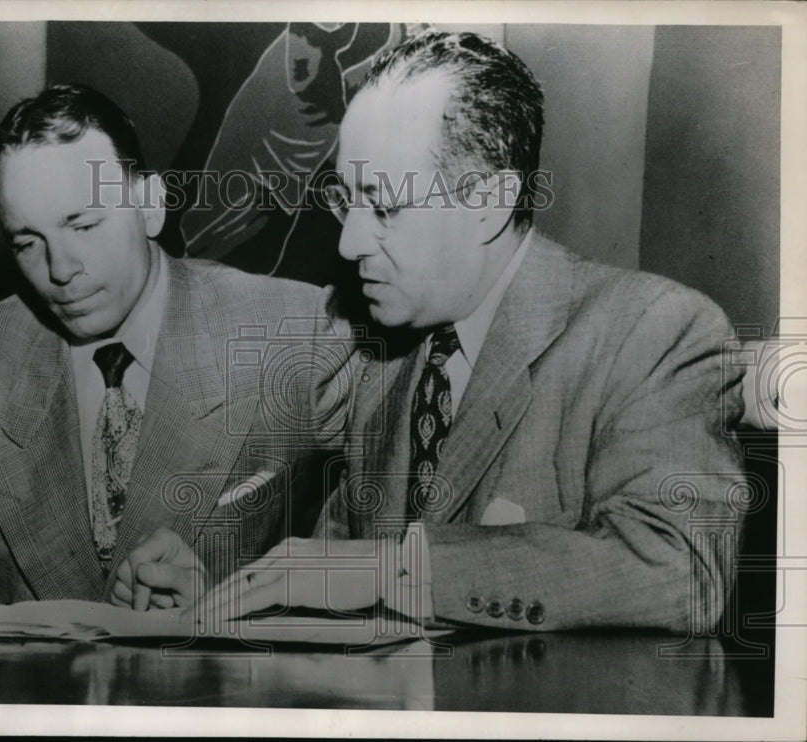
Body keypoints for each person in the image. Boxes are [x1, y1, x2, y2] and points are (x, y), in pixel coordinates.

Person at [200, 30, 746, 632]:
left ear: (489, 201)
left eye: (382, 206)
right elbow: (334, 569)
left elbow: (682, 575)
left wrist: (399, 570)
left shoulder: (652, 332)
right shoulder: (383, 366)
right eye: (344, 200)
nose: (349, 242)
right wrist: (221, 600)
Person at [0, 84, 351, 613]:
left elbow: (400, 531)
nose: (59, 270)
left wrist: (243, 608)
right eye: (27, 242)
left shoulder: (292, 331)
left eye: (83, 224)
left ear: (150, 206)